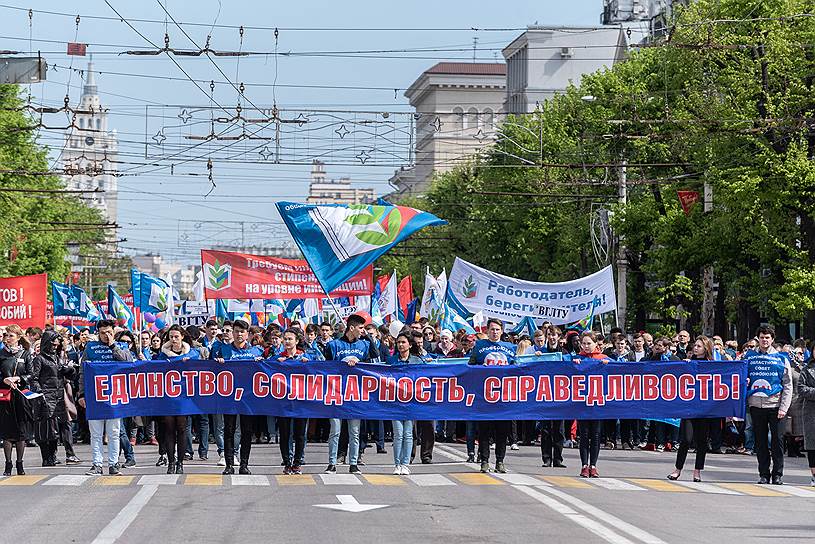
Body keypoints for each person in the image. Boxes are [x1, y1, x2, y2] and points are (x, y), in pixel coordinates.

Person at [323, 313, 379, 474]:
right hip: (336, 393)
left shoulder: (364, 344)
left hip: (356, 394)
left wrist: (367, 338)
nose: (363, 330)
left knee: (355, 431)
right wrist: (343, 364)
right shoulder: (334, 345)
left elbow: (374, 358)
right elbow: (326, 368)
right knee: (335, 430)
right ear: (351, 328)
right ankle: (332, 463)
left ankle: (353, 463)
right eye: (361, 328)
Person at [78, 320, 135, 476]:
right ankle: (97, 464)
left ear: (113, 332)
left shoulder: (121, 347)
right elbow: (83, 372)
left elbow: (128, 363)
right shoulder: (90, 349)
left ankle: (113, 464)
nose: (106, 335)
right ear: (98, 333)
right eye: (103, 333)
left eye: (109, 332)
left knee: (114, 432)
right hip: (94, 396)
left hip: (114, 396)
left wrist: (112, 346)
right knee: (96, 433)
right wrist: (81, 394)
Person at [211, 319, 264, 475]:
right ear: (232, 333)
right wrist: (217, 363)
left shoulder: (256, 351)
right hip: (229, 397)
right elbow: (211, 368)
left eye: (242, 331)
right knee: (229, 429)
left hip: (248, 398)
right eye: (236, 331)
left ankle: (244, 464)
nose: (239, 334)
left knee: (247, 431)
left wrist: (261, 363)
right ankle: (229, 464)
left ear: (247, 334)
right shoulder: (224, 350)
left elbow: (266, 370)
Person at [744, 325, 793, 485]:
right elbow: (740, 377)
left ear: (772, 339)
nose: (764, 340)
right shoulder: (749, 357)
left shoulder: (781, 358)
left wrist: (784, 408)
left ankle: (777, 474)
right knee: (760, 442)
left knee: (777, 442)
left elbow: (788, 384)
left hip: (776, 406)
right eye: (762, 337)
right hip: (756, 406)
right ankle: (764, 474)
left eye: (767, 337)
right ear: (758, 338)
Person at [153, 325, 203, 474]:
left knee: (181, 428)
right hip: (167, 396)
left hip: (184, 396)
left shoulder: (192, 354)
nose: (174, 340)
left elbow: (201, 370)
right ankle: (171, 461)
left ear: (182, 337)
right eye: (171, 337)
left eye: (176, 336)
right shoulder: (163, 355)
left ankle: (180, 462)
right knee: (168, 428)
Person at [468, 318, 516, 473]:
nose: (495, 332)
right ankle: (484, 461)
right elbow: (470, 366)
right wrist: (479, 368)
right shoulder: (480, 346)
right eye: (492, 329)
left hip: (503, 397)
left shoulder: (510, 347)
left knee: (502, 431)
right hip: (485, 396)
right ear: (487, 331)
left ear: (502, 331)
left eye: (497, 329)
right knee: (484, 430)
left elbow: (517, 369)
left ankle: (500, 461)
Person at [668, 336, 716, 482]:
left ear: (706, 349)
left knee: (701, 441)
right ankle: (678, 469)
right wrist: (685, 366)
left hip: (704, 409)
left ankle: (697, 471)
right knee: (686, 439)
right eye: (695, 345)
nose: (695, 348)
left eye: (699, 346)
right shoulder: (688, 363)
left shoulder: (712, 365)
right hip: (689, 407)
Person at [31, 330, 76, 467]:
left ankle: (52, 456)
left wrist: (69, 370)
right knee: (46, 429)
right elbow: (34, 378)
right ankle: (47, 457)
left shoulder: (58, 358)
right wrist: (40, 393)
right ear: (47, 343)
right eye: (53, 344)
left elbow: (70, 376)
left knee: (55, 430)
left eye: (56, 345)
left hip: (58, 396)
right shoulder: (39, 359)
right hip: (46, 396)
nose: (55, 346)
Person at [573, 331, 610, 478]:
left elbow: (620, 371)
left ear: (596, 344)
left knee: (595, 435)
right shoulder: (577, 358)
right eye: (584, 343)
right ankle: (584, 465)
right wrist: (573, 365)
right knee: (584, 434)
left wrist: (609, 365)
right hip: (582, 403)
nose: (586, 346)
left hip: (598, 402)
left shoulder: (604, 359)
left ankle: (593, 465)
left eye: (589, 343)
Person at [386, 331, 423, 475]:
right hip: (395, 403)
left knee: (408, 434)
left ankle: (405, 464)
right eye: (398, 342)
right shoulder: (391, 360)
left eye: (403, 342)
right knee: (398, 434)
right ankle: (397, 464)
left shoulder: (417, 360)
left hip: (411, 402)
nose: (400, 345)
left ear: (410, 344)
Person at [0, 325, 34, 475]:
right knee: (7, 432)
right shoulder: (1, 354)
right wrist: (4, 380)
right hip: (5, 396)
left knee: (21, 432)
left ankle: (20, 463)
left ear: (18, 337)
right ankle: (8, 464)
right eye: (6, 335)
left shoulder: (25, 354)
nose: (8, 338)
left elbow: (31, 374)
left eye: (11, 335)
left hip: (20, 396)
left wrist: (19, 378)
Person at [276, 328, 310, 475]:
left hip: (301, 401)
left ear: (297, 341)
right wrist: (274, 362)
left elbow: (321, 365)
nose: (287, 342)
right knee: (284, 433)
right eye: (286, 339)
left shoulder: (305, 356)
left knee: (300, 434)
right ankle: (287, 462)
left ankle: (297, 462)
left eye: (290, 339)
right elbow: (263, 366)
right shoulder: (278, 357)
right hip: (283, 402)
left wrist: (308, 363)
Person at [797, 354, 815, 486]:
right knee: (812, 444)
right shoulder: (807, 369)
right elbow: (801, 388)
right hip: (811, 410)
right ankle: (814, 474)